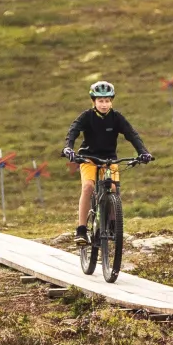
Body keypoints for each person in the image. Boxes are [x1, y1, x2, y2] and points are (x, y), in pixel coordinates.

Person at [63, 81, 153, 245]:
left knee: (113, 188)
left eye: (107, 100)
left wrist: (143, 152)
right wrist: (68, 149)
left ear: (111, 101)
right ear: (94, 101)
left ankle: (112, 224)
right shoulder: (86, 116)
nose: (104, 104)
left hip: (109, 159)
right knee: (88, 187)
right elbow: (73, 132)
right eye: (100, 101)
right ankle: (81, 230)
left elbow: (132, 135)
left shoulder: (116, 118)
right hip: (88, 158)